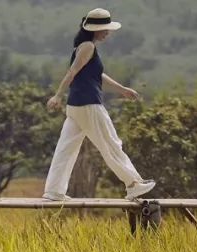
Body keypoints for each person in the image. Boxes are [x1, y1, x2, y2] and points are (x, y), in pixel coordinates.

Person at [42, 8, 156, 202]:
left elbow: (97, 75)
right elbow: (72, 72)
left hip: (76, 105)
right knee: (110, 142)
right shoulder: (88, 47)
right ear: (95, 29)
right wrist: (58, 95)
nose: (107, 32)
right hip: (89, 104)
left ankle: (53, 191)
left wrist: (122, 89)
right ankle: (133, 184)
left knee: (66, 148)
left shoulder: (84, 47)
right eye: (105, 29)